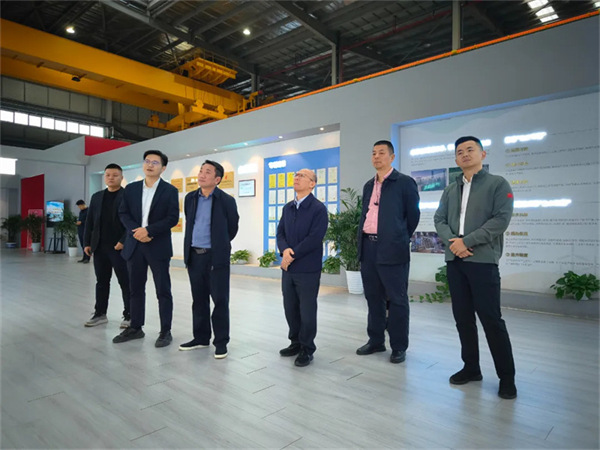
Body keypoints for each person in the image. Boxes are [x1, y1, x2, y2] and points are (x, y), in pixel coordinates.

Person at [434, 136, 517, 399]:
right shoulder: (451, 189)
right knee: (463, 319)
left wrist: (466, 242)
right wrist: (454, 243)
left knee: (491, 320)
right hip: (455, 262)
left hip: (482, 261)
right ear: (456, 159)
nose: (465, 154)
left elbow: (500, 220)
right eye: (460, 151)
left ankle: (507, 378)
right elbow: (439, 219)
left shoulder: (497, 184)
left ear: (483, 154)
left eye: (470, 149)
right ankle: (471, 368)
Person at [356, 140, 420, 364]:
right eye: (373, 153)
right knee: (373, 297)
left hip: (392, 248)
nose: (376, 156)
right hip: (368, 247)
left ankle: (399, 346)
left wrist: (398, 237)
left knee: (397, 299)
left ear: (392, 157)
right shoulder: (368, 185)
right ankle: (376, 340)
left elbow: (412, 217)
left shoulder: (404, 183)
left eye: (381, 153)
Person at [113, 150, 179, 348]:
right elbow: (123, 213)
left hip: (157, 245)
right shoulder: (131, 189)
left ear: (163, 168)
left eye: (155, 162)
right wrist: (137, 232)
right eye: (147, 161)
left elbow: (172, 218)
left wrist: (149, 231)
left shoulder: (169, 190)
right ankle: (135, 327)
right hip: (135, 245)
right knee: (135, 289)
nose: (150, 165)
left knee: (163, 290)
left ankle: (165, 331)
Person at [179, 160, 239, 359]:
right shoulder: (190, 198)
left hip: (215, 258)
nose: (201, 175)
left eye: (207, 172)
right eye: (200, 171)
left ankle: (221, 342)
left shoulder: (226, 200)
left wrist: (219, 244)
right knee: (199, 300)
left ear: (217, 179)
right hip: (194, 256)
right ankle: (201, 338)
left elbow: (232, 228)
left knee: (220, 300)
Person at [276, 169, 328, 367]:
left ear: (312, 184)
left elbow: (314, 238)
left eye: (302, 176)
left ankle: (307, 348)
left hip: (307, 268)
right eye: (296, 175)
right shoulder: (288, 207)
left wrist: (292, 254)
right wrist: (285, 250)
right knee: (290, 307)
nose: (296, 178)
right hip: (288, 268)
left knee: (307, 310)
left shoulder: (318, 209)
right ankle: (295, 342)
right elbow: (280, 233)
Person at [83, 163, 130, 328]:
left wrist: (123, 241)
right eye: (108, 175)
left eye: (115, 175)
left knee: (125, 282)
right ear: (104, 177)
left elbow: (132, 222)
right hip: (100, 247)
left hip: (119, 248)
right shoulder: (97, 197)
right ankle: (100, 313)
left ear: (121, 177)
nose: (111, 178)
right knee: (101, 282)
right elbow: (90, 221)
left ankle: (129, 314)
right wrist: (87, 242)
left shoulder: (127, 196)